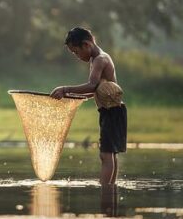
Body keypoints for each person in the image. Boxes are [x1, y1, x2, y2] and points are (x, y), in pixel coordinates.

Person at [50, 27, 127, 185]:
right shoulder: (95, 59)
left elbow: (92, 86)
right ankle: (110, 190)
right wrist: (71, 97)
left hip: (112, 111)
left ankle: (105, 190)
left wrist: (65, 89)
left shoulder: (100, 59)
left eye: (76, 52)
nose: (77, 57)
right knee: (109, 153)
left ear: (86, 44)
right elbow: (94, 90)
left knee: (106, 154)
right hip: (109, 111)